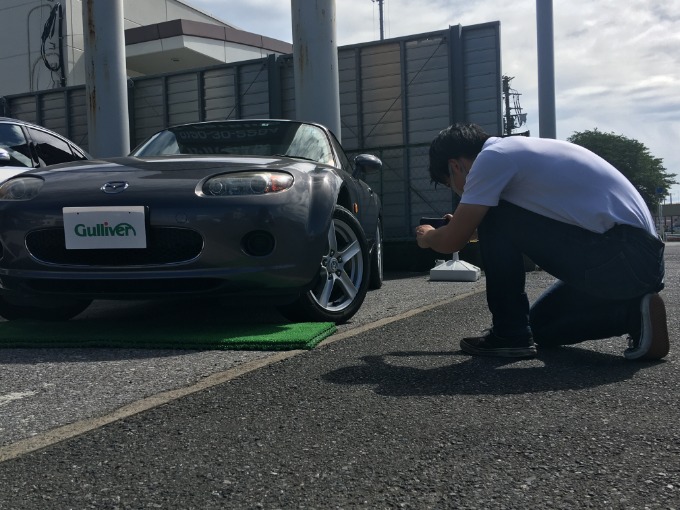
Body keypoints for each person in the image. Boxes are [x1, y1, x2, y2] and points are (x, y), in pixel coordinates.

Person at [415, 123, 669, 360]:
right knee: (537, 329)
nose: (459, 191)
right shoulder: (521, 151)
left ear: (455, 166)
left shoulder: (491, 158)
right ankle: (633, 315)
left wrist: (427, 237)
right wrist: (470, 225)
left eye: (451, 184)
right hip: (640, 262)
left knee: (493, 213)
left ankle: (508, 335)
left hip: (622, 255)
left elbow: (451, 242)